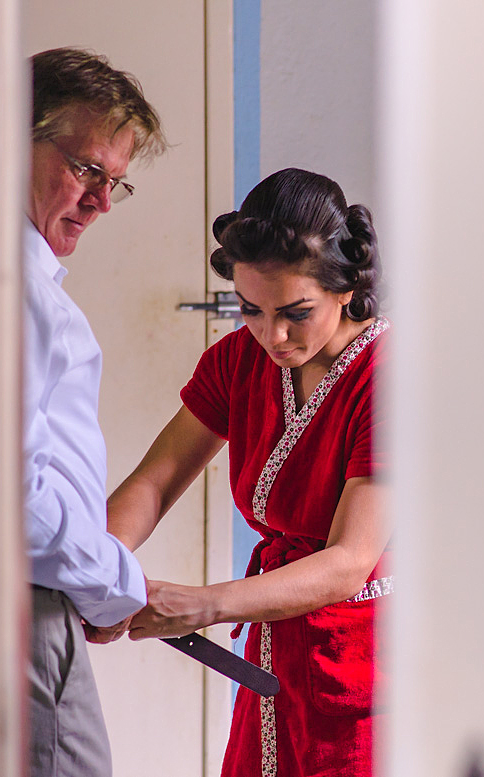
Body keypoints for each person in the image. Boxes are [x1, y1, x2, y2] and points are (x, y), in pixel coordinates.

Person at [104, 168, 391, 777]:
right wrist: (96, 566)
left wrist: (205, 605)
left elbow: (349, 561)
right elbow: (155, 482)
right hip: (274, 660)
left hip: (365, 667)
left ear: (347, 288)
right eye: (251, 310)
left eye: (296, 311)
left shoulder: (389, 377)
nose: (273, 335)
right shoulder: (238, 360)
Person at [23, 47, 166, 777]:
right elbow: (10, 496)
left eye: (116, 182)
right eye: (86, 170)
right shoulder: (7, 287)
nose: (102, 201)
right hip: (31, 604)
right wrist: (111, 582)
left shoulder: (27, 284)